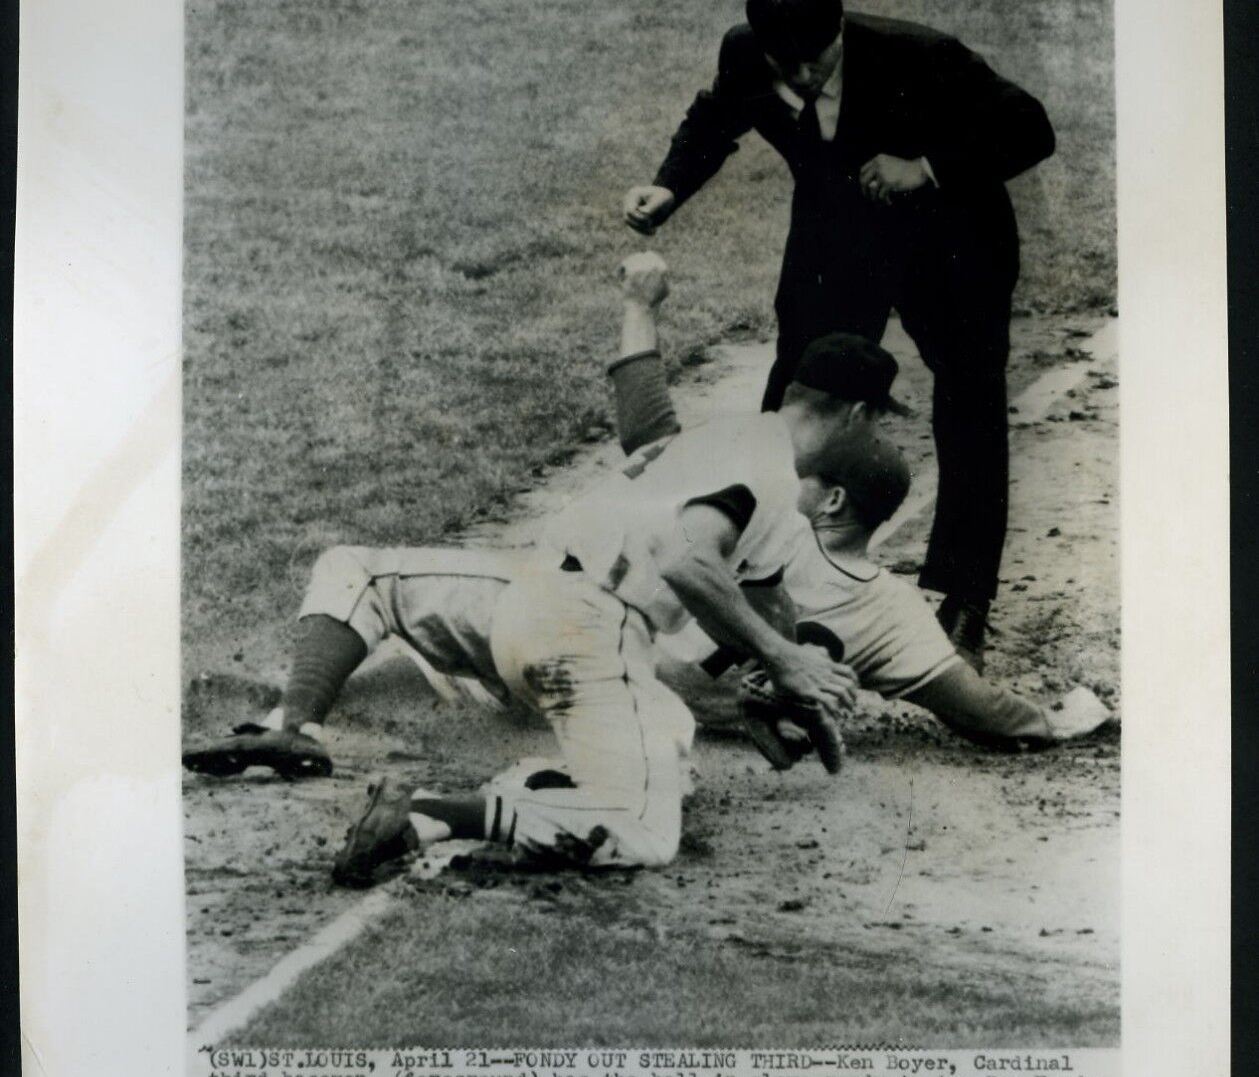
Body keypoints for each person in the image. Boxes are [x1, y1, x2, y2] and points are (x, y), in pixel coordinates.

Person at [183, 254, 1112, 882]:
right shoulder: (768, 472)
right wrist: (789, 668)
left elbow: (656, 449)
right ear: (857, 415)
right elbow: (687, 564)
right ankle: (431, 814)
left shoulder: (725, 444)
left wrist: (772, 685)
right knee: (641, 832)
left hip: (518, 598)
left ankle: (290, 722)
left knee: (360, 568)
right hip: (583, 640)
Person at [623, 0, 1057, 671]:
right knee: (795, 396)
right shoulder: (745, 54)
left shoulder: (921, 55)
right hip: (835, 243)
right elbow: (715, 116)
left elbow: (1029, 127)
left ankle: (962, 597)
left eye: (814, 61)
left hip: (952, 245)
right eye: (782, 64)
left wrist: (927, 165)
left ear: (840, 34)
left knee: (969, 402)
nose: (799, 75)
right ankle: (747, 581)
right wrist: (669, 185)